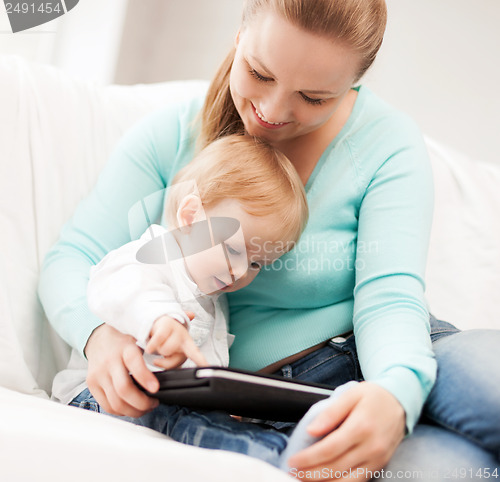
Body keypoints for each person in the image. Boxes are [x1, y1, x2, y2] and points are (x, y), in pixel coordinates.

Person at [39, 0, 500, 479]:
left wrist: (396, 391)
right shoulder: (170, 137)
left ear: (354, 84)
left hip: (406, 352)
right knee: (457, 471)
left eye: (315, 97)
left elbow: (389, 298)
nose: (273, 111)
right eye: (260, 73)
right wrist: (101, 338)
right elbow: (74, 259)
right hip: (285, 402)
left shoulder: (387, 142)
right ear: (240, 36)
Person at [56, 134, 308, 402]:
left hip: (163, 399)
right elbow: (119, 285)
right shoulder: (152, 254)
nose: (241, 271)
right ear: (190, 217)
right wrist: (162, 318)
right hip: (97, 393)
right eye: (233, 249)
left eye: (257, 263)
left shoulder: (212, 297)